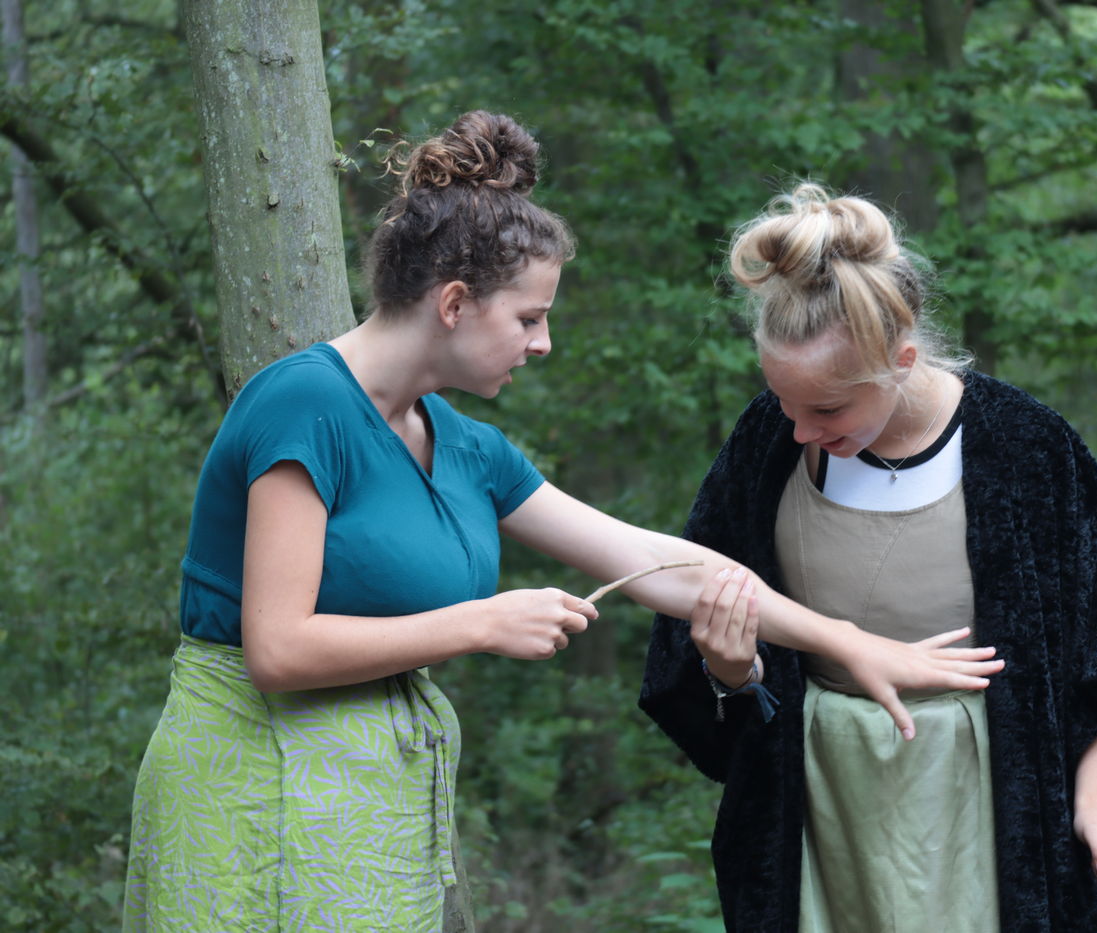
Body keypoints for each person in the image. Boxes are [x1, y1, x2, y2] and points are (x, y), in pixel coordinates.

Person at [120, 114, 1003, 933]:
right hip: (252, 790)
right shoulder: (304, 401)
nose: (543, 344)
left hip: (371, 803)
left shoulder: (465, 447)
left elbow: (662, 564)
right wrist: (482, 621)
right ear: (456, 302)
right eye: (531, 318)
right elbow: (275, 650)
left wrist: (849, 641)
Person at [640, 183, 1097, 932]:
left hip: (990, 807)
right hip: (821, 812)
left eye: (826, 409)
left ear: (900, 358)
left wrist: (1091, 802)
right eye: (785, 402)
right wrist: (734, 671)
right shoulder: (769, 444)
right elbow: (704, 657)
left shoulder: (1028, 449)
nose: (799, 429)